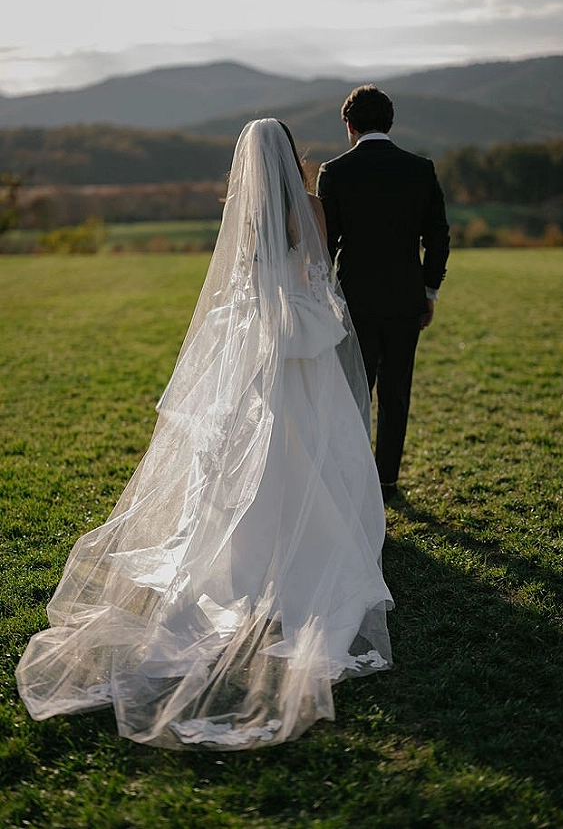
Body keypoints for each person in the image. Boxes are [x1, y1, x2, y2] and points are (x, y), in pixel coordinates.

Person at [16, 119, 394, 751]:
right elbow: (316, 269)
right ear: (293, 155)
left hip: (254, 334)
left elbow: (244, 276)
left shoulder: (240, 207)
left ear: (245, 162)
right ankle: (308, 540)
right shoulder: (311, 205)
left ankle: (248, 551)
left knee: (250, 444)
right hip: (303, 337)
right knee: (316, 440)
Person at [317, 85, 450, 502]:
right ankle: (386, 482)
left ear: (349, 125)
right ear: (389, 123)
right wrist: (429, 290)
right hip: (406, 298)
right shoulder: (420, 168)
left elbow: (325, 244)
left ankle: (354, 481)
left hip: (352, 299)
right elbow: (439, 237)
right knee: (396, 391)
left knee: (356, 391)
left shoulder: (334, 171)